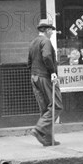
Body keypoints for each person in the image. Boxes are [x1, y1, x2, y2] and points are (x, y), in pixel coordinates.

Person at [28, 18, 63, 146]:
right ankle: (39, 129)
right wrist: (52, 72)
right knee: (56, 105)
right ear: (47, 30)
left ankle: (47, 139)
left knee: (45, 108)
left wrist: (35, 75)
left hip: (35, 77)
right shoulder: (46, 41)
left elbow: (29, 63)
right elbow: (47, 56)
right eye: (51, 30)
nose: (52, 33)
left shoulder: (33, 42)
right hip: (45, 77)